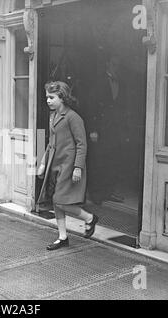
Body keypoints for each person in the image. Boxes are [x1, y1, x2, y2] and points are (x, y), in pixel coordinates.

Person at [37, 81, 98, 250]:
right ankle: (63, 237)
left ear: (62, 98)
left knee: (60, 200)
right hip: (55, 165)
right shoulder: (54, 116)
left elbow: (82, 144)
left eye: (51, 97)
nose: (48, 101)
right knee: (57, 202)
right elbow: (51, 143)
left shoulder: (73, 117)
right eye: (47, 97)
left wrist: (78, 167)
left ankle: (89, 218)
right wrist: (43, 162)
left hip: (69, 165)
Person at [86, 54, 125, 205]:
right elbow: (91, 106)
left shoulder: (120, 82)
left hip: (113, 129)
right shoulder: (98, 81)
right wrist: (93, 129)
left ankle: (108, 192)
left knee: (111, 160)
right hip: (100, 129)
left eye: (118, 66)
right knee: (98, 162)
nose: (117, 68)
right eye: (114, 65)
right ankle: (96, 195)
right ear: (108, 64)